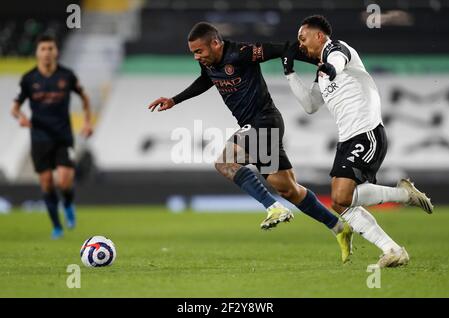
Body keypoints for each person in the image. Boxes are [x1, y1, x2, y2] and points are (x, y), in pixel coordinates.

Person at [148, 22, 353, 263]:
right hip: (258, 126)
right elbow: (206, 80)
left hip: (264, 121)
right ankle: (339, 228)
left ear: (215, 43)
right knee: (289, 189)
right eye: (193, 52)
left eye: (199, 51)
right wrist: (175, 100)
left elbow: (284, 48)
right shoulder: (209, 64)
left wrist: (325, 63)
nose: (196, 57)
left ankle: (272, 207)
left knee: (224, 162)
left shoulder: (243, 53)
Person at [282, 15, 433, 267]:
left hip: (367, 132)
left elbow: (337, 61)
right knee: (341, 203)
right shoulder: (321, 72)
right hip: (347, 139)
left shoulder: (337, 50)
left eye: (303, 38)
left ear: (319, 36)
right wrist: (289, 73)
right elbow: (309, 106)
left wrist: (331, 69)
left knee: (342, 196)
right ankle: (393, 249)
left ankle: (403, 195)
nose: (300, 45)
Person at [11, 35, 93, 239]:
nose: (47, 52)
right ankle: (57, 226)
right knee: (47, 183)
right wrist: (21, 117)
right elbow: (14, 107)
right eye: (43, 49)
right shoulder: (29, 79)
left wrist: (87, 122)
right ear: (37, 52)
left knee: (64, 181)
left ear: (56, 51)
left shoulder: (67, 76)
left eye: (50, 48)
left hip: (63, 136)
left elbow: (84, 97)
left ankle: (67, 204)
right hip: (39, 138)